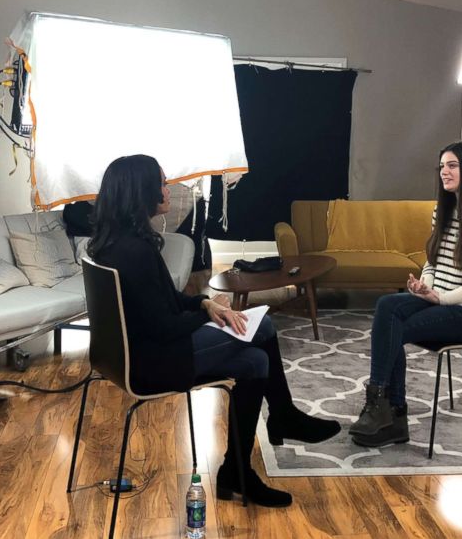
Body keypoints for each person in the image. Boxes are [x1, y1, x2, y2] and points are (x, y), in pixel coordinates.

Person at [87, 154, 340, 507]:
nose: (168, 190)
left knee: (254, 362)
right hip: (153, 362)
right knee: (262, 325)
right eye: (161, 182)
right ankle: (279, 421)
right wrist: (210, 317)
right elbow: (164, 327)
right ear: (140, 190)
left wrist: (205, 304)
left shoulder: (116, 243)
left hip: (139, 352)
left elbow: (165, 302)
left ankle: (239, 468)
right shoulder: (135, 252)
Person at [349, 141, 462, 447]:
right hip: (440, 298)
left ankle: (387, 411)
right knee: (387, 306)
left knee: (394, 330)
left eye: (452, 165)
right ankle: (386, 409)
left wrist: (443, 298)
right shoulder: (444, 210)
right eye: (441, 166)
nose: (444, 172)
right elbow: (433, 260)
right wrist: (425, 285)